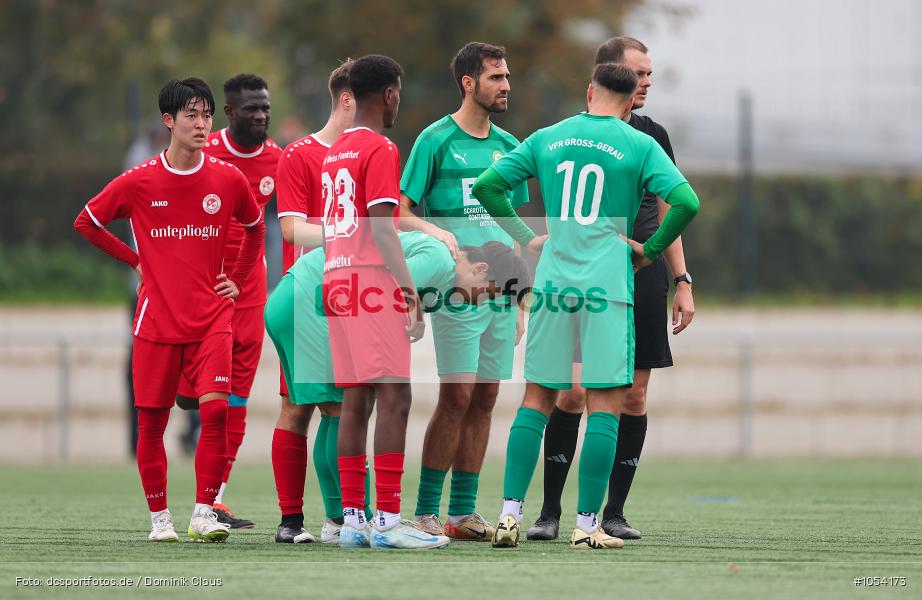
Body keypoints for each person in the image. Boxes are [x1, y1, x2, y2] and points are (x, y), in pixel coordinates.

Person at [472, 63, 700, 549]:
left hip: (553, 283)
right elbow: (686, 201)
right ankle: (587, 525)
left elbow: (487, 186)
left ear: (588, 91)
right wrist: (651, 250)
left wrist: (527, 238)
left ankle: (510, 515)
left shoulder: (548, 137)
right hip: (608, 287)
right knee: (605, 406)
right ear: (631, 97)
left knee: (537, 399)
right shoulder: (640, 144)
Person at [73, 78, 265, 543]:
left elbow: (256, 228)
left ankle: (203, 511)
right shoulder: (140, 180)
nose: (202, 125)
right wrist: (135, 260)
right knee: (152, 424)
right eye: (191, 116)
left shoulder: (227, 178)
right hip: (156, 323)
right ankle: (160, 520)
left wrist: (236, 281)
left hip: (213, 319)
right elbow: (88, 222)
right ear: (169, 121)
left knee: (216, 413)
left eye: (207, 115)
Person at [528, 37, 695, 542]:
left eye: (651, 74)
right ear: (610, 77)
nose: (646, 82)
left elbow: (673, 204)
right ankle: (550, 511)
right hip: (580, 274)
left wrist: (680, 278)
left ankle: (611, 513)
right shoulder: (569, 134)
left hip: (638, 273)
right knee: (574, 392)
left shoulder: (652, 135)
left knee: (634, 396)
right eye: (639, 73)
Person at [265, 231, 530, 544]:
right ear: (480, 269)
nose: (480, 301)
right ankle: (359, 520)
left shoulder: (443, 270)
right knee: (345, 408)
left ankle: (341, 521)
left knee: (333, 410)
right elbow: (381, 285)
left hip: (300, 296)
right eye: (487, 294)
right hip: (313, 300)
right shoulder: (439, 259)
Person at [398, 42, 530, 541]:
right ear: (468, 83)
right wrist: (443, 242)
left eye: (507, 76)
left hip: (500, 291)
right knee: (455, 395)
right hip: (456, 290)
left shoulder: (510, 146)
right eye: (496, 77)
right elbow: (403, 211)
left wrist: (518, 298)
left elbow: (516, 228)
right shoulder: (434, 139)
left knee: (487, 397)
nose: (506, 86)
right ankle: (427, 511)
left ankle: (461, 512)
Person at [320, 54, 447, 550]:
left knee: (356, 399)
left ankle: (354, 521)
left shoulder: (335, 150)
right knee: (396, 397)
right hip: (369, 282)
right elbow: (382, 227)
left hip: (336, 279)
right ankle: (389, 523)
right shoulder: (380, 147)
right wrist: (410, 291)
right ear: (390, 94)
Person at [176, 73, 281, 530]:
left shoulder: (280, 159)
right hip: (203, 287)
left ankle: (215, 499)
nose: (260, 115)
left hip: (251, 288)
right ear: (230, 112)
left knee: (236, 396)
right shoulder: (204, 152)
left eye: (265, 108)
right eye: (250, 109)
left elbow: (289, 224)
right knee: (193, 397)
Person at [271, 60, 359, 544]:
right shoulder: (300, 154)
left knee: (342, 409)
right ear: (348, 99)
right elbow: (291, 228)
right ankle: (292, 520)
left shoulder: (368, 152)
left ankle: (340, 519)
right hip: (310, 298)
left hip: (354, 299)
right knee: (297, 407)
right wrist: (352, 235)